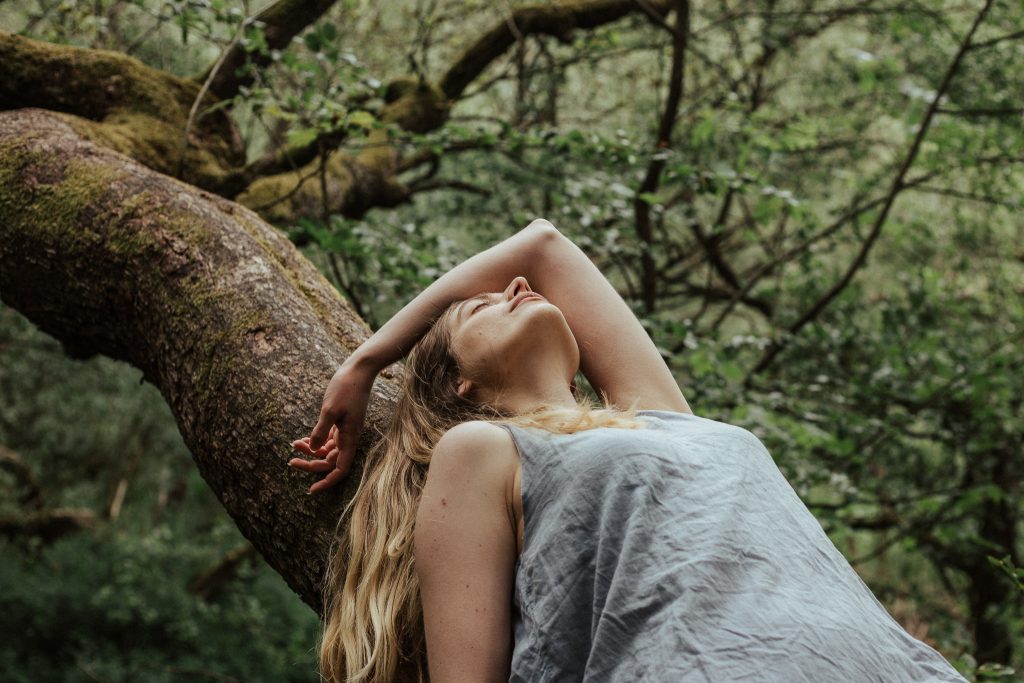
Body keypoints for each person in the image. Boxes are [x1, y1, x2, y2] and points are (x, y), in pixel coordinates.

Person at [290, 219, 967, 683]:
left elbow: (543, 247)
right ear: (458, 384)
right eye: (484, 307)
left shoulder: (661, 421)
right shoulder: (480, 450)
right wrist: (377, 367)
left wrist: (367, 355)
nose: (518, 286)